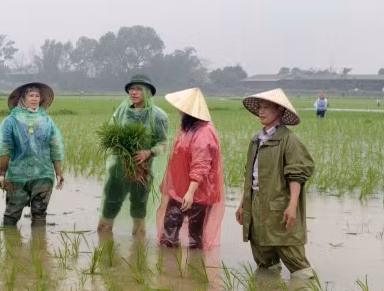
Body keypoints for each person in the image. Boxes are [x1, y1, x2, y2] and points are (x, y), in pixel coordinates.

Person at [235, 88, 315, 279]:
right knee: (263, 256)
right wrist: (243, 203)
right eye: (260, 108)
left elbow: (297, 175)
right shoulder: (256, 139)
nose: (261, 112)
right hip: (256, 202)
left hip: (280, 204)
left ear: (279, 110)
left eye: (266, 108)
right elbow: (251, 175)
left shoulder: (289, 140)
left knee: (293, 254)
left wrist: (292, 205)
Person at [98, 74, 169, 236]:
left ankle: (138, 242)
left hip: (142, 170)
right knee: (110, 201)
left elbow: (163, 144)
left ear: (148, 93)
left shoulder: (158, 116)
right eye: (131, 89)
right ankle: (103, 235)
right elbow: (112, 132)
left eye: (138, 89)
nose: (134, 92)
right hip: (119, 168)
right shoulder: (121, 112)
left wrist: (148, 152)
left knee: (139, 205)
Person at [157, 88, 224, 249]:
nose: (178, 110)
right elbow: (176, 159)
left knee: (195, 238)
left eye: (182, 108)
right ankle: (168, 270)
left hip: (197, 194)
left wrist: (191, 192)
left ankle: (195, 269)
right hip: (179, 191)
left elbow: (201, 165)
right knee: (168, 236)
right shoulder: (186, 128)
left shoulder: (204, 132)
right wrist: (167, 183)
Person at [0, 83, 65, 227]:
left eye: (37, 96)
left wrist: (58, 172)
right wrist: (2, 173)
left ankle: (39, 247)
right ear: (23, 98)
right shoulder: (11, 121)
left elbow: (56, 147)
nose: (34, 99)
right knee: (11, 214)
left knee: (40, 214)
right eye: (31, 95)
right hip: (17, 175)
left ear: (41, 100)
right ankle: (9, 246)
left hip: (43, 173)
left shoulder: (47, 121)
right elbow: (5, 147)